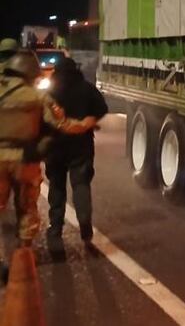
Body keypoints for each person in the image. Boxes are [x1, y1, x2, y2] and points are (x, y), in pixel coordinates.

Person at [0, 52, 96, 268]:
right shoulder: (39, 97)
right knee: (27, 207)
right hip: (25, 159)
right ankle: (23, 256)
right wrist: (86, 124)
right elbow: (62, 124)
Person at [45, 55, 107, 252]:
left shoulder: (50, 91)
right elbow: (102, 107)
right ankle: (85, 225)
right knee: (81, 185)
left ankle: (55, 231)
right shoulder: (86, 88)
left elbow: (41, 117)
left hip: (55, 146)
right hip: (81, 146)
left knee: (57, 187)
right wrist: (89, 120)